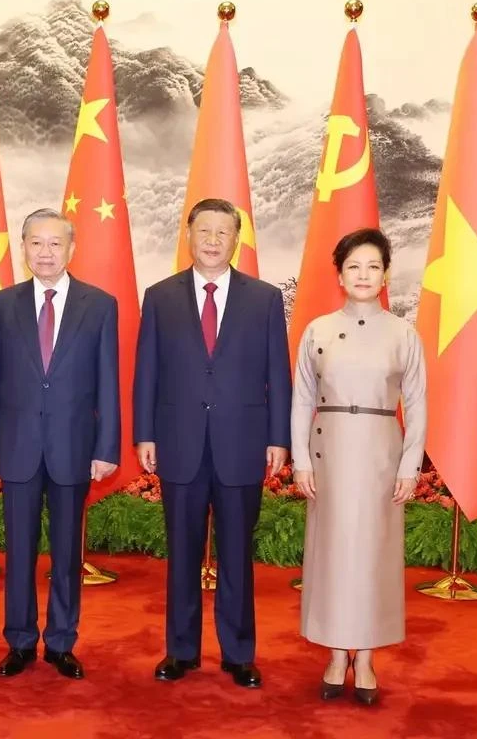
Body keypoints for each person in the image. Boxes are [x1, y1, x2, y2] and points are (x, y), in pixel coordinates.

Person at [133, 197, 292, 689]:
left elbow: (277, 376)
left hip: (241, 444)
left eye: (224, 233)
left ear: (236, 240)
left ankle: (239, 652)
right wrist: (144, 433)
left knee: (237, 554)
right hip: (179, 443)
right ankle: (180, 651)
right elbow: (147, 373)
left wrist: (278, 438)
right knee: (181, 553)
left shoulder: (264, 298)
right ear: (188, 235)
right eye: (204, 230)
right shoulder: (159, 296)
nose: (213, 241)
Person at [0, 207, 119, 681]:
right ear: (24, 249)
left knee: (66, 555)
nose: (46, 252)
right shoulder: (4, 303)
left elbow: (107, 383)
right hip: (16, 447)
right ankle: (18, 641)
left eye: (55, 243)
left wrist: (106, 447)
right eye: (36, 243)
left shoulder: (99, 305)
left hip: (73, 448)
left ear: (71, 249)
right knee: (18, 553)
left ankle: (60, 642)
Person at [291, 227, 427, 705]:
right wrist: (301, 460)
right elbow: (301, 399)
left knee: (373, 557)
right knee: (330, 556)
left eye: (373, 266)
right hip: (329, 455)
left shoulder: (402, 333)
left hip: (380, 457)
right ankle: (333, 653)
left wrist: (410, 465)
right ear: (340, 276)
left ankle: (365, 656)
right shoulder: (319, 330)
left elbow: (418, 403)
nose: (364, 275)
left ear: (385, 274)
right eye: (354, 266)